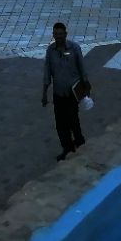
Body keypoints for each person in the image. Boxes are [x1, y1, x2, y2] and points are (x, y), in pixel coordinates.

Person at [42, 22, 89, 161]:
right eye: (56, 34)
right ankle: (67, 149)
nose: (58, 37)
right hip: (58, 94)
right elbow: (47, 72)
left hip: (72, 94)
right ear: (53, 35)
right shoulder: (50, 51)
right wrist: (44, 93)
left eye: (61, 34)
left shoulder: (75, 48)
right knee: (60, 124)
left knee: (73, 120)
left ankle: (80, 143)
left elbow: (82, 69)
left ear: (66, 34)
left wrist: (86, 86)